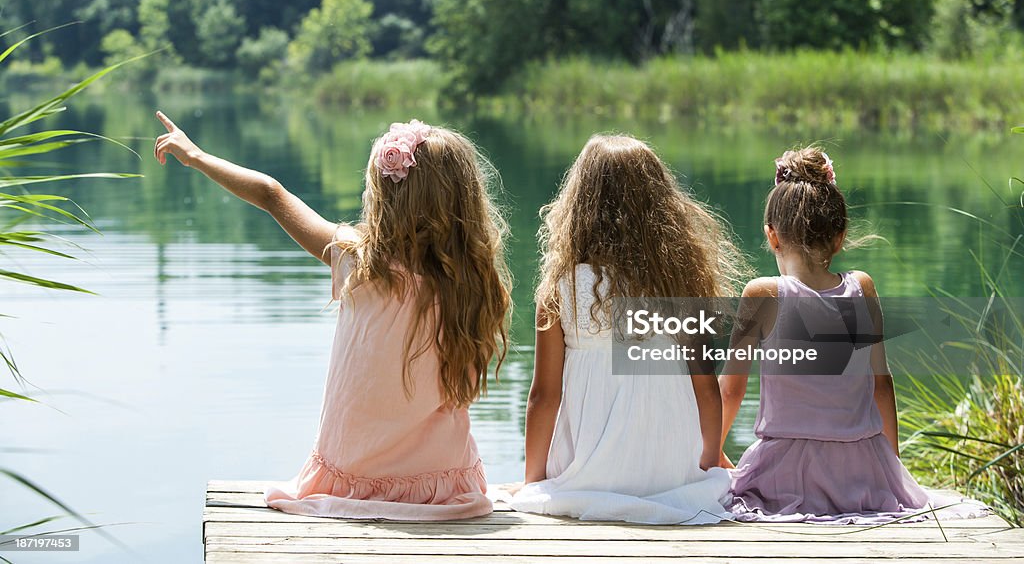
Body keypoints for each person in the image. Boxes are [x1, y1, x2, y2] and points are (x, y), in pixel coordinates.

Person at [154, 112, 512, 520]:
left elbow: (272, 194)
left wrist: (196, 155)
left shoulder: (358, 265)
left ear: (383, 197)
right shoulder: (476, 287)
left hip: (352, 479)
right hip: (443, 485)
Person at [720, 146, 987, 523]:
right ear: (840, 237)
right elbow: (881, 385)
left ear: (772, 236)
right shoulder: (861, 287)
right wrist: (890, 471)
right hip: (861, 471)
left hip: (783, 474)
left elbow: (731, 390)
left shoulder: (762, 293)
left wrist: (712, 454)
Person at [509, 134, 747, 524]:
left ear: (579, 206)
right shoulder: (682, 285)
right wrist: (704, 469)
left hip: (587, 471)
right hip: (671, 470)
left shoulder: (562, 287)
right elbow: (706, 388)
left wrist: (533, 481)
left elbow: (543, 397)